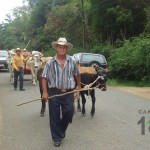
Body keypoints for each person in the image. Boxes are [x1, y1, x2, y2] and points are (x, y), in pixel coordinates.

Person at [42, 37, 81, 147]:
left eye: (64, 47)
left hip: (68, 92)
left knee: (69, 113)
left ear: (66, 48)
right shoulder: (50, 62)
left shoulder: (72, 61)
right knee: (54, 116)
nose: (62, 49)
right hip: (54, 92)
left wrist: (78, 86)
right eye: (60, 47)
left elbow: (77, 74)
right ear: (57, 48)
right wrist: (45, 92)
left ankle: (61, 130)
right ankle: (56, 138)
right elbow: (44, 77)